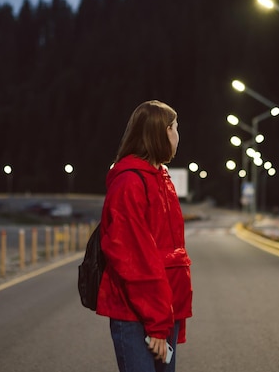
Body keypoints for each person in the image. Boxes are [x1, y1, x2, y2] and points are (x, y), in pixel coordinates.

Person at [97, 100, 193, 372]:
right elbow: (135, 259)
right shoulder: (130, 183)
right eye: (174, 127)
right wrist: (157, 324)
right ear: (158, 133)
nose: (177, 135)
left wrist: (165, 319)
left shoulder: (161, 178)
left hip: (162, 310)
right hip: (137, 312)